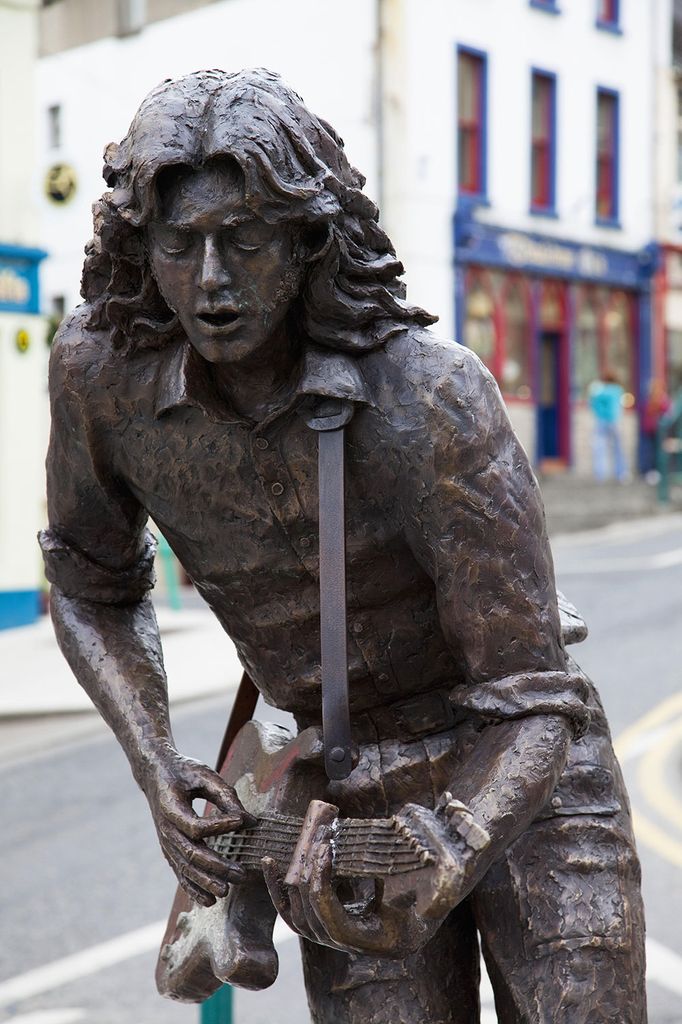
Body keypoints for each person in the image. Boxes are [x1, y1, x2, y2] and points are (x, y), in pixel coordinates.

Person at [40, 69, 646, 1023]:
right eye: (177, 245)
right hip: (344, 797)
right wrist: (157, 763)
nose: (211, 283)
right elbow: (89, 583)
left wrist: (460, 839)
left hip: (519, 776)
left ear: (306, 238)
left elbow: (536, 699)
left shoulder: (427, 395)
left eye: (244, 242)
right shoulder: (100, 382)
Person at [588, 371, 627, 482]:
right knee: (618, 448)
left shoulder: (600, 391)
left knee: (600, 448)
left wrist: (599, 413)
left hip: (601, 421)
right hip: (614, 421)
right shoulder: (618, 390)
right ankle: (621, 473)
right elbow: (621, 406)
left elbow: (593, 403)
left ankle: (600, 474)